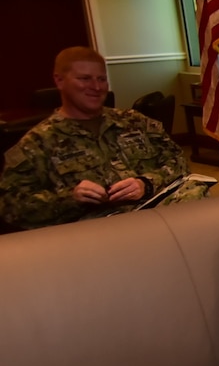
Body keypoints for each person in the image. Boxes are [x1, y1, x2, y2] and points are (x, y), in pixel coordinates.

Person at [0, 46, 204, 230]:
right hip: (93, 234)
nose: (96, 87)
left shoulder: (135, 122)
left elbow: (178, 161)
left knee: (197, 195)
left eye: (101, 79)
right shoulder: (38, 143)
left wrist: (146, 183)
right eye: (85, 79)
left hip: (154, 217)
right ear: (59, 81)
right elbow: (11, 207)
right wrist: (71, 198)